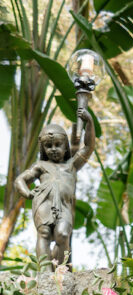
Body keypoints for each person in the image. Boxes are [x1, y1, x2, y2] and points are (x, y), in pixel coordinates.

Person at [15, 110, 95, 268]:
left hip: (64, 205)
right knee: (44, 233)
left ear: (66, 147)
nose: (53, 149)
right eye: (48, 146)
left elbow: (89, 147)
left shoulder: (71, 165)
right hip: (43, 202)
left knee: (63, 234)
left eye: (58, 145)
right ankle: (45, 270)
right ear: (43, 148)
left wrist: (90, 122)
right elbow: (20, 180)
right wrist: (27, 193)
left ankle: (60, 269)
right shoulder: (40, 165)